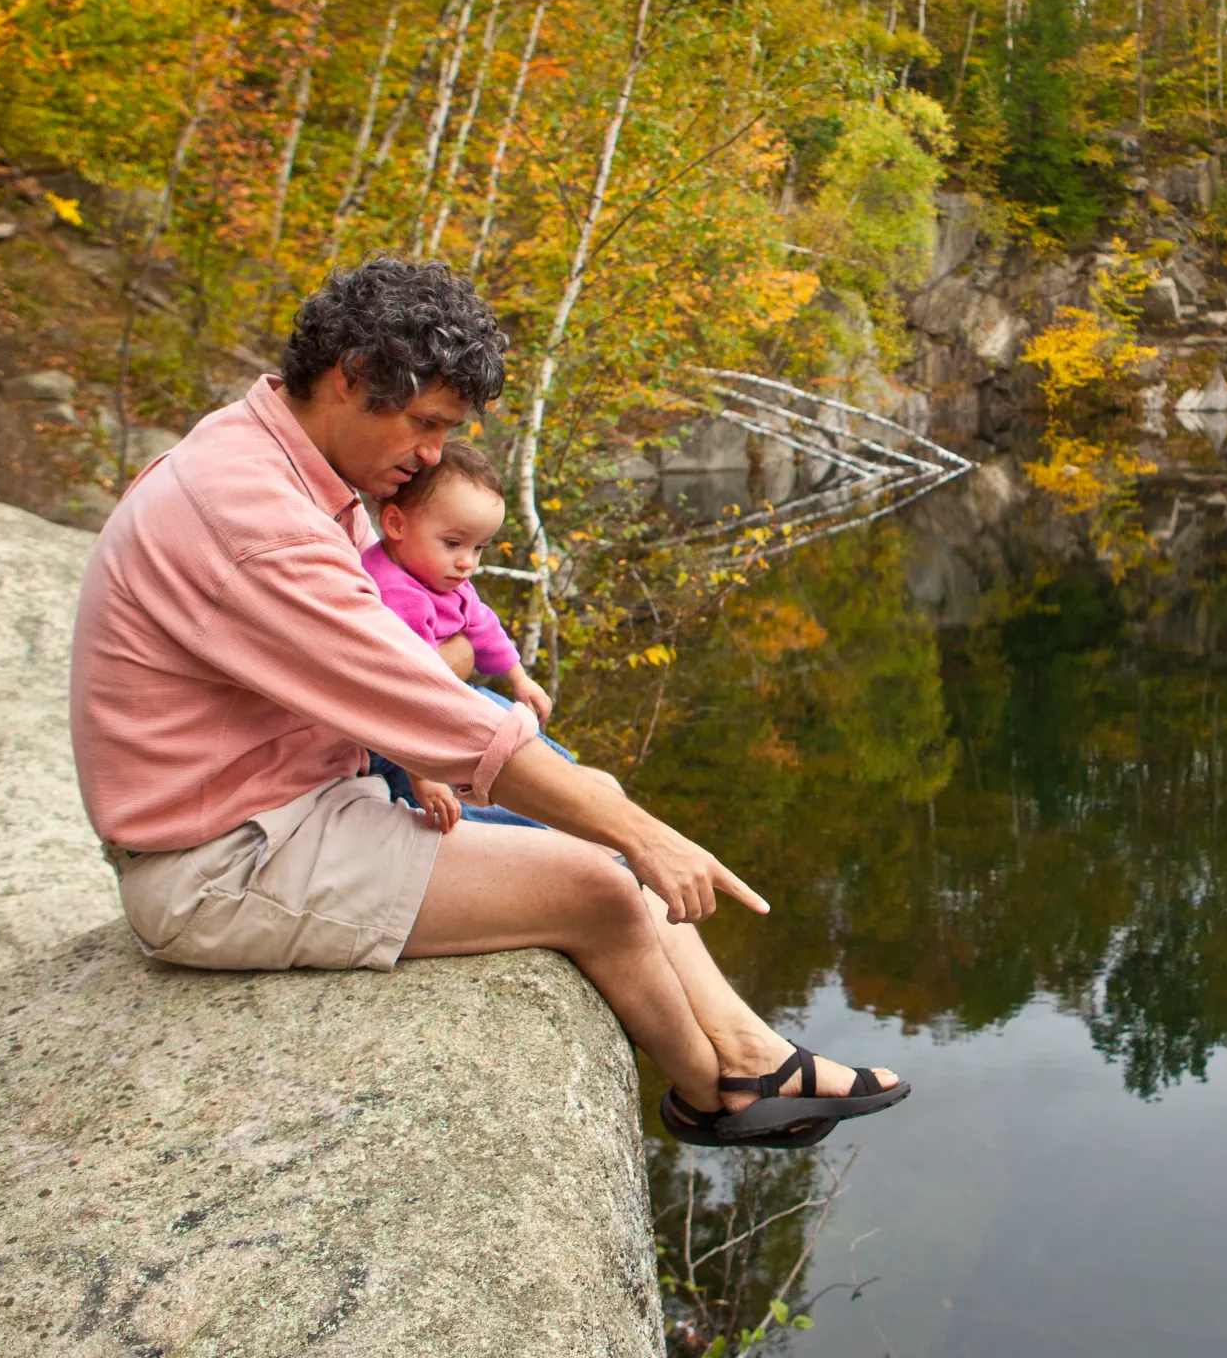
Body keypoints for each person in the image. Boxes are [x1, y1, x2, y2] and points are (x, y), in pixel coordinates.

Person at [70, 256, 905, 1148]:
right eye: (426, 423)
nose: (433, 455)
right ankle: (720, 1092)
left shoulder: (277, 462)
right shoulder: (255, 517)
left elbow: (406, 670)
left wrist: (594, 798)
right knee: (601, 883)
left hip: (298, 806)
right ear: (350, 377)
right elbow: (426, 702)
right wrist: (644, 835)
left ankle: (750, 1047)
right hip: (222, 865)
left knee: (596, 811)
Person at [357, 437, 607, 831]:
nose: (467, 562)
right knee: (505, 805)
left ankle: (567, 800)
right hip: (402, 738)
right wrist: (424, 775)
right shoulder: (398, 597)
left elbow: (480, 621)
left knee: (551, 766)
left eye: (479, 548)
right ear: (395, 523)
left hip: (446, 704)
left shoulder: (432, 571)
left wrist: (518, 678)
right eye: (454, 543)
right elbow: (403, 695)